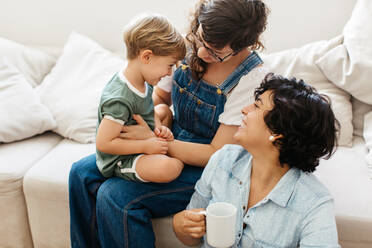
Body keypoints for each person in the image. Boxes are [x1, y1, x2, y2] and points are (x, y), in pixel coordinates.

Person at [69, 0, 270, 247]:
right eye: (200, 39)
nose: (202, 53)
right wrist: (156, 116)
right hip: (164, 138)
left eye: (216, 51)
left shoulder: (251, 78)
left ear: (242, 46)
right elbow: (159, 97)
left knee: (114, 196)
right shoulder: (186, 47)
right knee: (80, 173)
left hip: (207, 165)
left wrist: (154, 142)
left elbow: (216, 154)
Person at [173, 73, 341, 248]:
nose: (244, 109)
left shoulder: (314, 204)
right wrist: (180, 226)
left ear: (277, 132)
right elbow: (193, 237)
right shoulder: (224, 160)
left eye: (257, 106)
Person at [95, 13, 185, 183]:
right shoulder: (119, 100)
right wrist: (146, 145)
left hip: (141, 136)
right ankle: (177, 161)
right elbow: (104, 143)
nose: (170, 73)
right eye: (170, 65)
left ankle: (162, 147)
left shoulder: (144, 79)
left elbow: (149, 110)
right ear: (147, 57)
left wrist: (158, 128)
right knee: (169, 168)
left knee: (163, 110)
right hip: (121, 157)